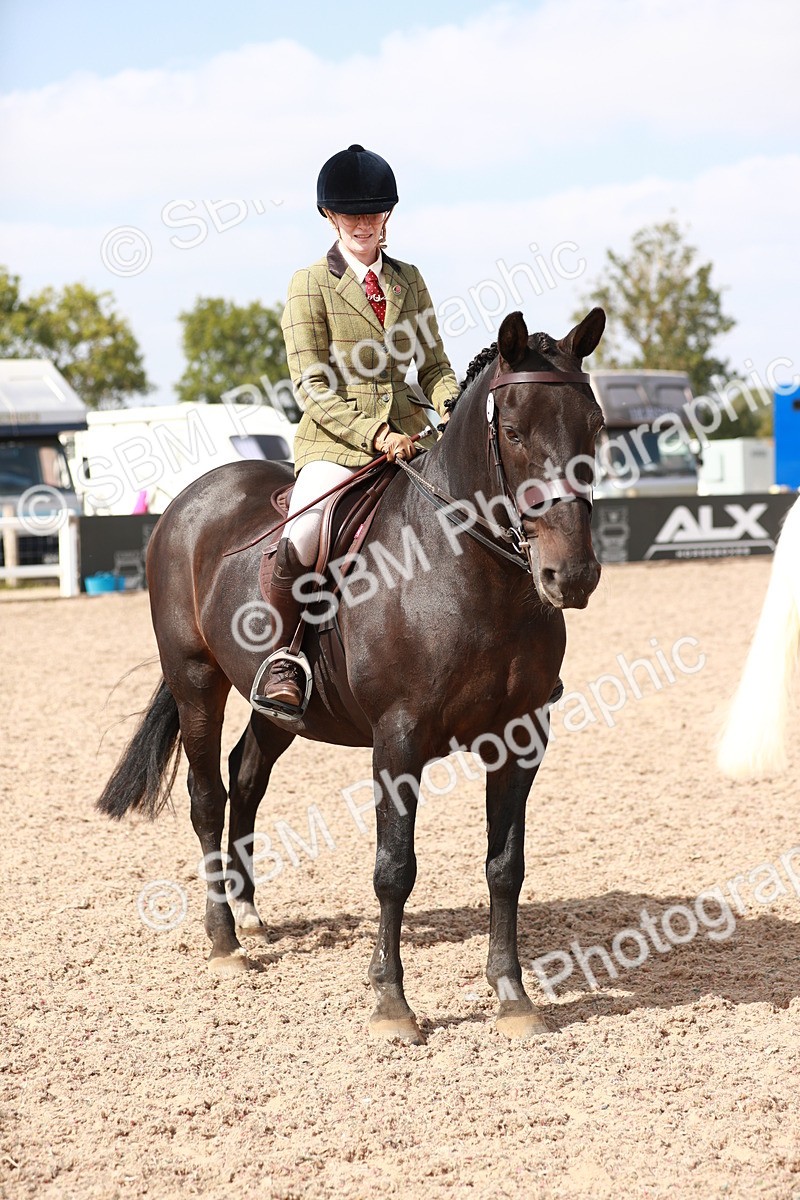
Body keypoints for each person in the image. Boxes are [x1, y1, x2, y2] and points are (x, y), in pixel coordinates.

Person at [253, 144, 459, 712]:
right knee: (306, 532)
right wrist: (374, 435)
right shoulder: (310, 284)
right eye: (352, 215)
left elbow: (435, 366)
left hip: (414, 435)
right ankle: (284, 654)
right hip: (337, 443)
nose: (364, 224)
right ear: (330, 217)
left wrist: (452, 405)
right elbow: (311, 389)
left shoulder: (409, 279)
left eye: (374, 213)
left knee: (482, 505)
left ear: (387, 215)